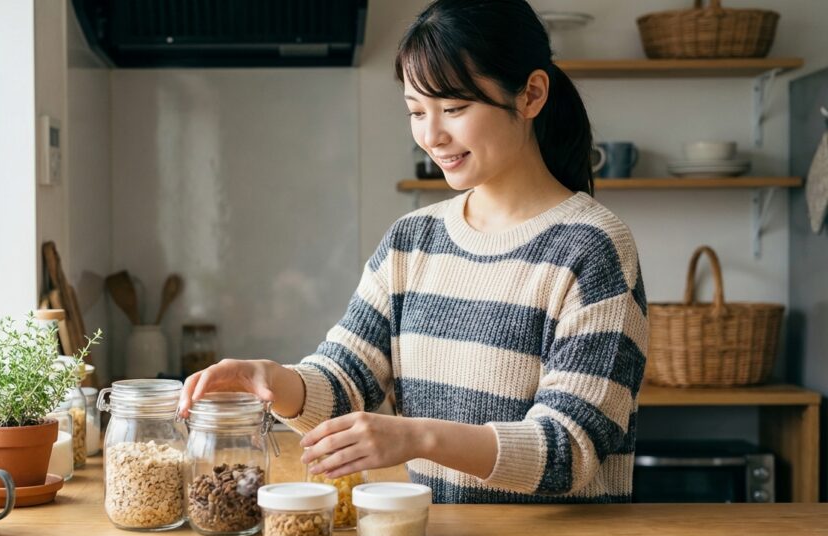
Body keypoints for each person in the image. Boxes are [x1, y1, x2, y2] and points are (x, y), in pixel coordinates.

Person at [177, 0, 648, 503]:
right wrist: (271, 379)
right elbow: (343, 380)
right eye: (416, 112)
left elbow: (568, 451)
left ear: (531, 94)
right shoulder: (412, 241)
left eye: (455, 108)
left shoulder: (593, 249)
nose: (432, 135)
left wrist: (416, 437)